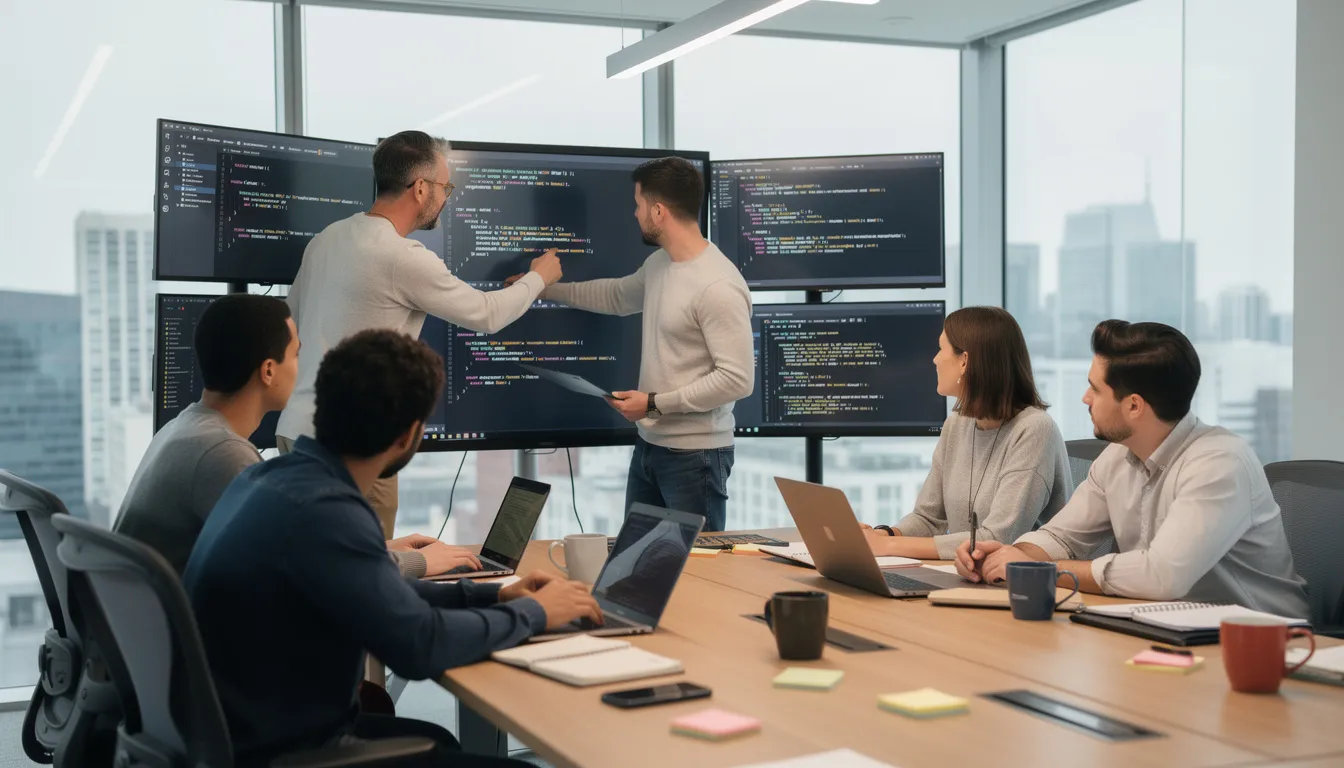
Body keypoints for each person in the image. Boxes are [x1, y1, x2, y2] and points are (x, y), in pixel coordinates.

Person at [184, 329, 602, 767]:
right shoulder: (326, 510)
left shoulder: (270, 479)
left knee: (436, 739)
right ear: (408, 436)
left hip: (240, 734)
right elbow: (419, 646)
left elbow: (375, 593)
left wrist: (492, 593)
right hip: (287, 751)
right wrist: (535, 613)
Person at [276, 130, 563, 538]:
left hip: (295, 432)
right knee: (358, 578)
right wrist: (538, 278)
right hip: (354, 446)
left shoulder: (327, 239)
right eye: (446, 187)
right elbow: (485, 314)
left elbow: (293, 323)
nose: (447, 197)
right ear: (420, 187)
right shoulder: (401, 257)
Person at [955, 320, 1310, 617]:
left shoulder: (1219, 463)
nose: (1085, 398)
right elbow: (1063, 537)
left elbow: (1162, 576)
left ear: (1135, 406)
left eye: (1095, 389)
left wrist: (1042, 572)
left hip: (1267, 644)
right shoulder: (1116, 458)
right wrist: (1010, 555)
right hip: (1166, 626)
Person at [114, 293, 476, 578]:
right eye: (296, 354)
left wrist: (384, 550)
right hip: (187, 661)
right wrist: (422, 564)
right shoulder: (223, 454)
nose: (302, 367)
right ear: (268, 370)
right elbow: (313, 567)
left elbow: (297, 547)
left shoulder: (184, 428)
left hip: (145, 649)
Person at [510, 157, 752, 532]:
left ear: (658, 211)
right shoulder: (661, 263)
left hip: (696, 457)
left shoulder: (717, 285)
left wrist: (655, 403)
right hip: (650, 448)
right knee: (635, 571)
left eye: (638, 204)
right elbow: (617, 295)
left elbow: (737, 380)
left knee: (698, 576)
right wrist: (542, 286)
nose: (635, 213)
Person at [862, 307, 1071, 561]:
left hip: (1026, 587)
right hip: (968, 576)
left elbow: (995, 539)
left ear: (964, 361)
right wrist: (885, 535)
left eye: (941, 349)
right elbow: (928, 519)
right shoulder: (956, 425)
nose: (935, 359)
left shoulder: (1035, 430)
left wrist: (887, 548)